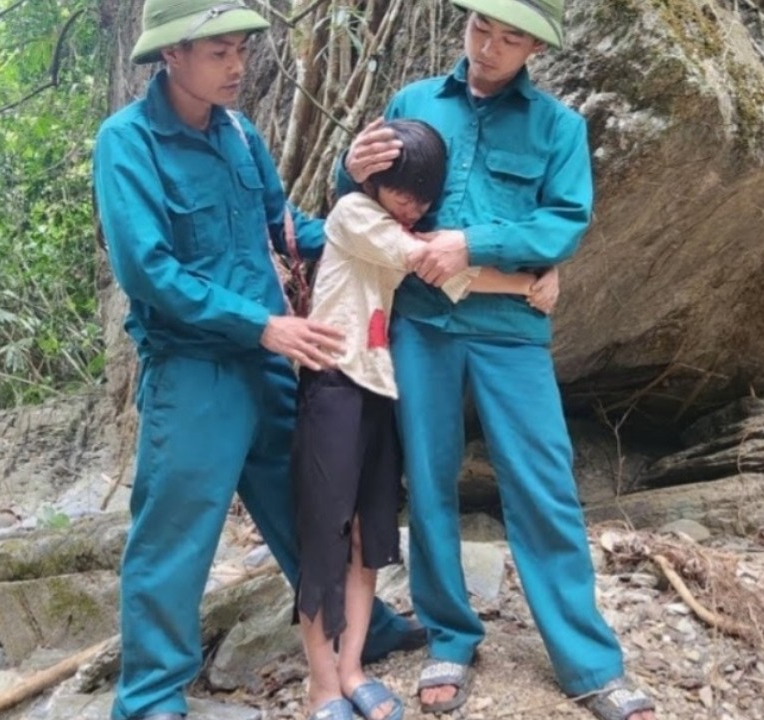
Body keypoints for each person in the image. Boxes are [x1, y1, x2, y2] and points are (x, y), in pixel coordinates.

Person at [92, 3, 423, 718]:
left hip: (272, 358)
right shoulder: (128, 143)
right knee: (176, 532)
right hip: (194, 370)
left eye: (241, 49)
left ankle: (357, 631)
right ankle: (150, 696)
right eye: (219, 52)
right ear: (171, 56)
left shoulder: (241, 133)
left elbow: (286, 228)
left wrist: (373, 238)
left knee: (314, 505)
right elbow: (147, 269)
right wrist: (260, 325)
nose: (238, 65)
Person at [338, 2, 657, 719]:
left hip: (511, 328)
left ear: (533, 49)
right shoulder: (414, 103)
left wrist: (473, 245)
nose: (490, 46)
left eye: (510, 37)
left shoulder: (558, 127)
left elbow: (562, 222)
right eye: (482, 27)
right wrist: (346, 167)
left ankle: (590, 663)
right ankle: (450, 636)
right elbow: (362, 203)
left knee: (542, 483)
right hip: (421, 325)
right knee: (429, 478)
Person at [293, 119, 556, 720]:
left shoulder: (398, 222)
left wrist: (537, 278)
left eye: (423, 195)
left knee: (366, 537)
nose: (412, 204)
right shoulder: (353, 215)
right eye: (401, 190)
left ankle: (354, 668)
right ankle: (322, 686)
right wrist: (526, 282)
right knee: (324, 537)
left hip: (379, 390)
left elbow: (451, 271)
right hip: (333, 384)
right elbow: (429, 263)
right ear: (376, 181)